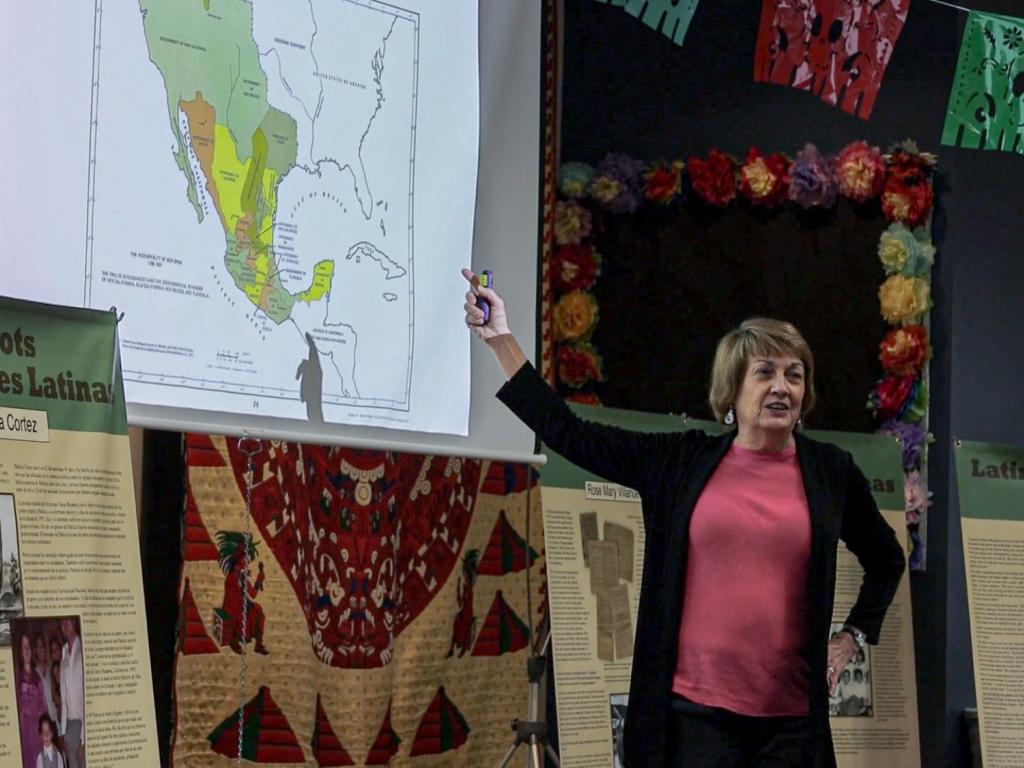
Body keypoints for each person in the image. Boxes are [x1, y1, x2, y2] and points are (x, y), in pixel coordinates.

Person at [461, 269, 905, 767]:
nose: (781, 386)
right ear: (731, 390)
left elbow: (887, 560)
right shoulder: (680, 462)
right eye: (764, 372)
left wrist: (851, 637)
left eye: (794, 374)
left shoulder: (831, 472)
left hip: (791, 727)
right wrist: (501, 340)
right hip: (693, 719)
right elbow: (570, 432)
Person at [16, 633, 47, 768]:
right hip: (25, 735)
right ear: (20, 651)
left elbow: (44, 707)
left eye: (28, 646)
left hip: (37, 734)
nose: (27, 649)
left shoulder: (37, 678)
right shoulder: (16, 678)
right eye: (24, 647)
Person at [59, 618, 85, 768]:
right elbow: (64, 700)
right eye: (61, 623)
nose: (64, 626)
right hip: (69, 725)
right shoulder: (64, 657)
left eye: (67, 621)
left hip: (84, 723)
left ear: (74, 623)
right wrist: (63, 733)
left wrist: (84, 740)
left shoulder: (83, 649)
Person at [34, 634, 57, 723]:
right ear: (35, 650)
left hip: (56, 721)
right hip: (44, 725)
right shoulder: (34, 675)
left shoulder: (51, 671)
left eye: (43, 646)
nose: (41, 649)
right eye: (38, 647)